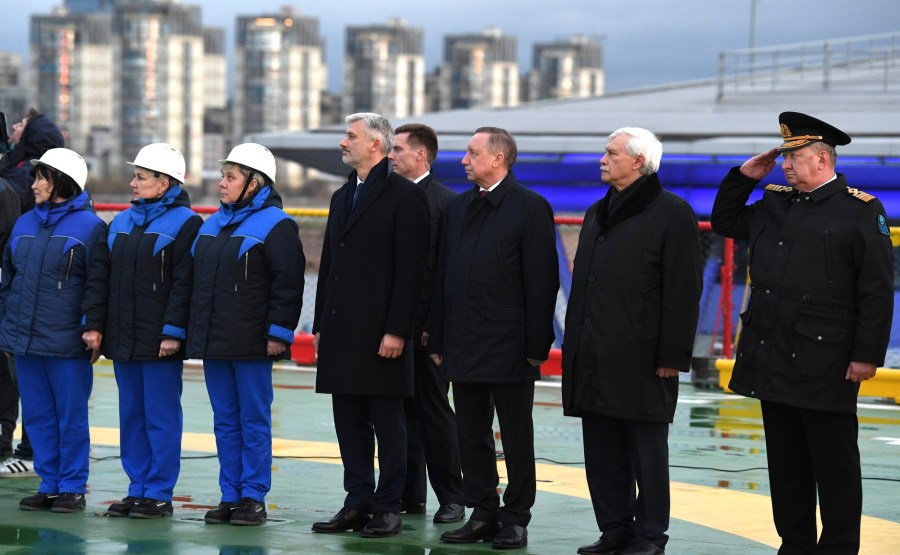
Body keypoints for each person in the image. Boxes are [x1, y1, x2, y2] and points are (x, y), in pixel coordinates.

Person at [711, 112, 893, 554]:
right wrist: (743, 177)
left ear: (823, 159)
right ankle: (794, 544)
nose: (786, 165)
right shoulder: (776, 201)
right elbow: (725, 222)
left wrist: (866, 354)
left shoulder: (860, 209)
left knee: (834, 464)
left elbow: (876, 289)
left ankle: (838, 547)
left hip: (826, 360)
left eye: (795, 157)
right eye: (785, 157)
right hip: (773, 352)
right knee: (786, 463)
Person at [561, 127, 703, 555]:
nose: (602, 159)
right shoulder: (595, 213)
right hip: (594, 354)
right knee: (602, 452)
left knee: (647, 454)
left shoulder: (672, 212)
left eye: (611, 153)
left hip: (643, 357)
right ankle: (615, 530)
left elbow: (683, 288)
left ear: (638, 161)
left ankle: (649, 536)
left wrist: (672, 355)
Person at [429, 126, 559, 550]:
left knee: (516, 435)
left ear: (498, 158)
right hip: (463, 341)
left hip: (510, 345)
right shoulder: (459, 207)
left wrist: (537, 347)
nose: (464, 160)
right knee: (470, 433)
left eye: (472, 153)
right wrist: (438, 338)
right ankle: (482, 511)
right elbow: (442, 276)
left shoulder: (530, 208)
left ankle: (516, 517)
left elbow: (542, 282)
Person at [311, 113, 429, 539]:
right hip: (342, 331)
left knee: (388, 421)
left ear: (375, 145)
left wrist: (398, 330)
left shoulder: (405, 197)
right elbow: (329, 266)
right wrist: (321, 322)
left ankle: (388, 506)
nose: (344, 143)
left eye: (350, 137)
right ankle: (356, 501)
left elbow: (410, 270)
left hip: (382, 333)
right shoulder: (343, 196)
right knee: (348, 421)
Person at [186, 143, 305, 526]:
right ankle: (230, 494)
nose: (221, 184)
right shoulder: (211, 226)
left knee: (253, 420)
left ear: (254, 183)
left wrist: (278, 334)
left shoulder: (277, 225)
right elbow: (196, 285)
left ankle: (253, 496)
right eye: (223, 176)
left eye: (230, 177)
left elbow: (288, 284)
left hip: (253, 342)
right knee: (224, 420)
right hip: (216, 341)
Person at [82, 143, 202, 519]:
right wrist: (97, 325)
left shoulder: (187, 224)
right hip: (124, 338)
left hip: (159, 342)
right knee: (131, 415)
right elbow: (102, 279)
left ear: (164, 183)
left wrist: (172, 332)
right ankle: (137, 489)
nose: (133, 183)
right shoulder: (120, 223)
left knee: (160, 416)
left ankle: (159, 493)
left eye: (141, 177)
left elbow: (185, 284)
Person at [0, 148, 107, 512]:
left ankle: (73, 486)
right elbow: (8, 281)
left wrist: (92, 327)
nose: (34, 184)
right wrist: (7, 331)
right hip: (25, 341)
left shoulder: (91, 228)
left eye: (41, 177)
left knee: (70, 415)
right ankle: (49, 483)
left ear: (62, 182)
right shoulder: (25, 223)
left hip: (66, 342)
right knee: (38, 414)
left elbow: (98, 285)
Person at [388, 123, 465, 524]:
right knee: (397, 414)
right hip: (393, 329)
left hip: (427, 330)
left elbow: (445, 274)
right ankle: (408, 494)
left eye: (398, 149)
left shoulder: (447, 204)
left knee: (435, 413)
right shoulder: (389, 198)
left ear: (422, 155)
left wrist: (431, 326)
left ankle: (453, 497)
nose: (391, 155)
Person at [0, 107, 63, 477]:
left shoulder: (17, 184)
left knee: (28, 378)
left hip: (26, 295)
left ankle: (34, 450)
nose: (15, 129)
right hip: (19, 293)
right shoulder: (18, 181)